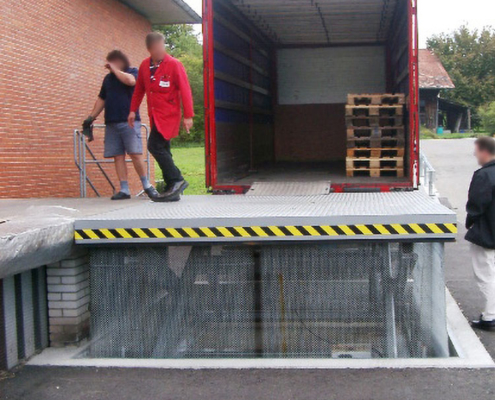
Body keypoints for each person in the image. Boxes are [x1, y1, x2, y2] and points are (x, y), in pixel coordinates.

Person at [83, 50, 159, 200]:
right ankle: (124, 189)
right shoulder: (108, 79)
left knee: (135, 154)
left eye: (114, 61)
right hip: (112, 122)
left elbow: (130, 81)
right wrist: (91, 118)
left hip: (129, 122)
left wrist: (115, 69)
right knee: (118, 156)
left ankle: (147, 186)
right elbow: (101, 100)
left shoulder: (133, 72)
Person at [128, 32, 194, 202]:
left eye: (162, 46)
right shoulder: (144, 66)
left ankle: (176, 179)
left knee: (154, 145)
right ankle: (172, 187)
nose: (161, 50)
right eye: (157, 47)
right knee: (164, 148)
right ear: (150, 49)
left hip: (169, 115)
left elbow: (185, 90)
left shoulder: (174, 64)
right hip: (154, 115)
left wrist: (188, 116)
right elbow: (139, 90)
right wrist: (132, 110)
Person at [466, 136, 495, 331]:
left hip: (487, 232)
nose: (475, 154)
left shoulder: (484, 175)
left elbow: (476, 205)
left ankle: (490, 317)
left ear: (485, 151)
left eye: (476, 150)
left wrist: (471, 222)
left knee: (485, 275)